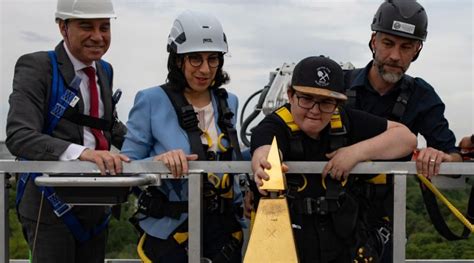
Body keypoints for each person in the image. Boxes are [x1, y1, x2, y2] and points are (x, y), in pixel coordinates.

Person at [251, 56, 417, 263]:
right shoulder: (274, 125)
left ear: (337, 103)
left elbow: (406, 139)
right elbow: (265, 149)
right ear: (291, 96)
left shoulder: (345, 120)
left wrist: (355, 152)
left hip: (341, 246)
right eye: (306, 98)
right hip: (291, 246)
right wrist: (265, 166)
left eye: (326, 102)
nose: (315, 110)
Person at [5, 0, 128, 262]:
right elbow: (19, 135)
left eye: (104, 27)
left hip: (96, 202)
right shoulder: (39, 67)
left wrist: (157, 150)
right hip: (48, 205)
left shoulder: (104, 70)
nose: (98, 36)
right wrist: (83, 153)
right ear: (63, 27)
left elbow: (107, 127)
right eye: (87, 27)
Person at [121, 10, 245, 263]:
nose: (205, 69)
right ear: (178, 60)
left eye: (213, 59)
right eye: (195, 59)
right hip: (172, 232)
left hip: (223, 231)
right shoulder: (151, 100)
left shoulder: (228, 102)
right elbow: (128, 164)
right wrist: (160, 161)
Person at [343, 0, 463, 261]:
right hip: (328, 212)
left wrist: (440, 156)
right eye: (388, 43)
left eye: (406, 46)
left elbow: (454, 157)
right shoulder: (339, 85)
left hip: (384, 218)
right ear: (374, 41)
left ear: (417, 50)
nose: (396, 56)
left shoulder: (421, 96)